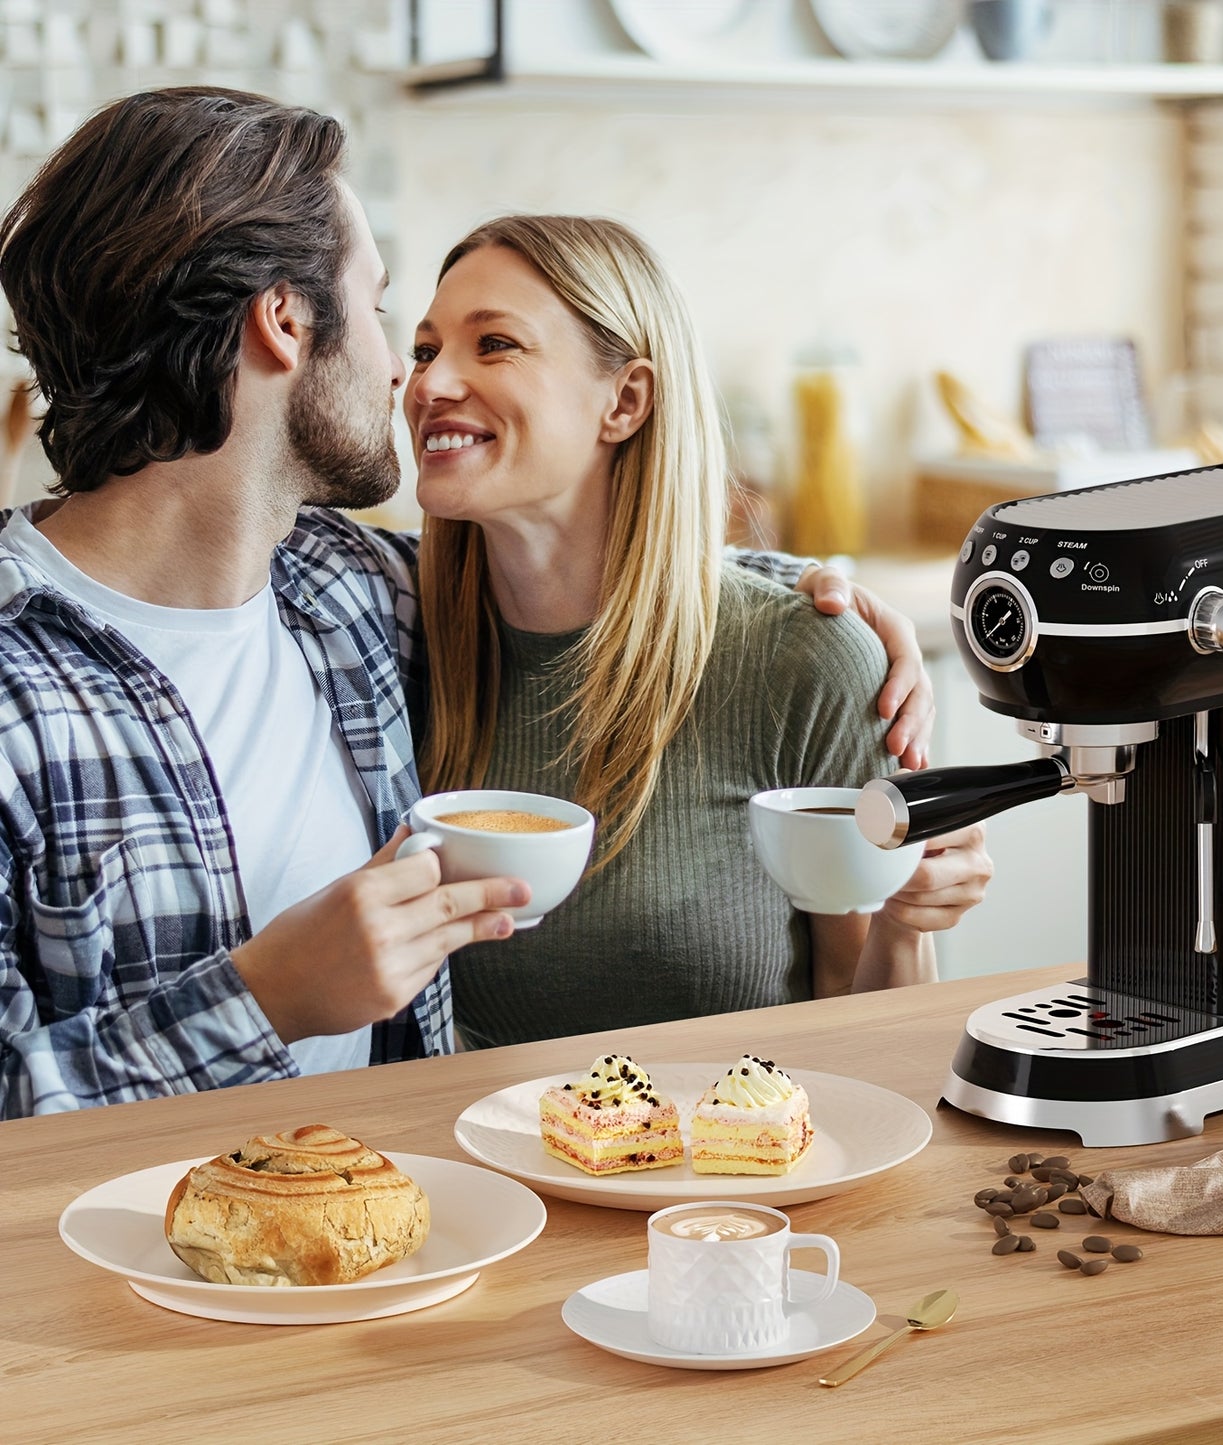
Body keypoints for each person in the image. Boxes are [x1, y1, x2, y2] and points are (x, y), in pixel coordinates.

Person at [0, 88, 934, 1117]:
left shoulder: (350, 598)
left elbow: (608, 579)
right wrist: (265, 1000)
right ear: (283, 320)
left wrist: (826, 609)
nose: (408, 371)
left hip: (418, 1238)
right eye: (384, 308)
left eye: (487, 344)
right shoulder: (24, 686)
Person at [403, 215, 993, 1050]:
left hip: (737, 1170)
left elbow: (877, 1042)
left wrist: (905, 918)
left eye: (492, 344)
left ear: (626, 401)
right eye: (425, 351)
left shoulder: (806, 659)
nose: (429, 384)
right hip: (489, 1161)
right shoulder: (386, 635)